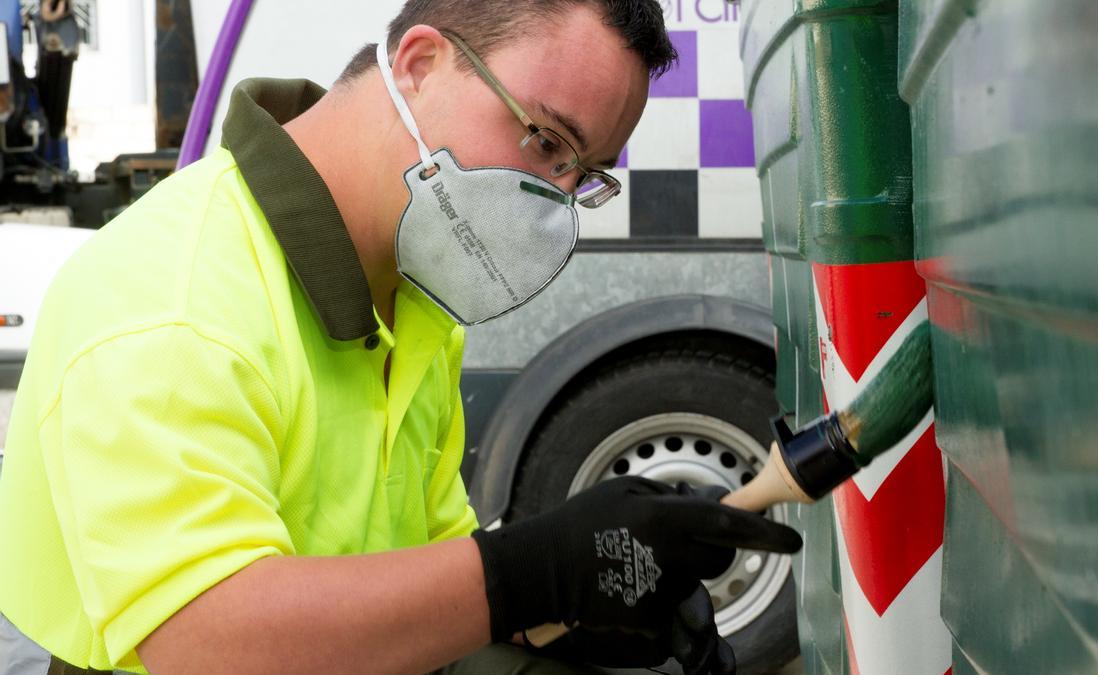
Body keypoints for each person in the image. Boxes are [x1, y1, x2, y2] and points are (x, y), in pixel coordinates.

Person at [0, 1, 802, 673]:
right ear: (420, 63)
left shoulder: (410, 300)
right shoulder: (175, 296)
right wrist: (538, 570)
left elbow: (424, 568)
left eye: (581, 174)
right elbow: (207, 635)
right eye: (546, 141)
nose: (553, 200)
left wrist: (584, 605)